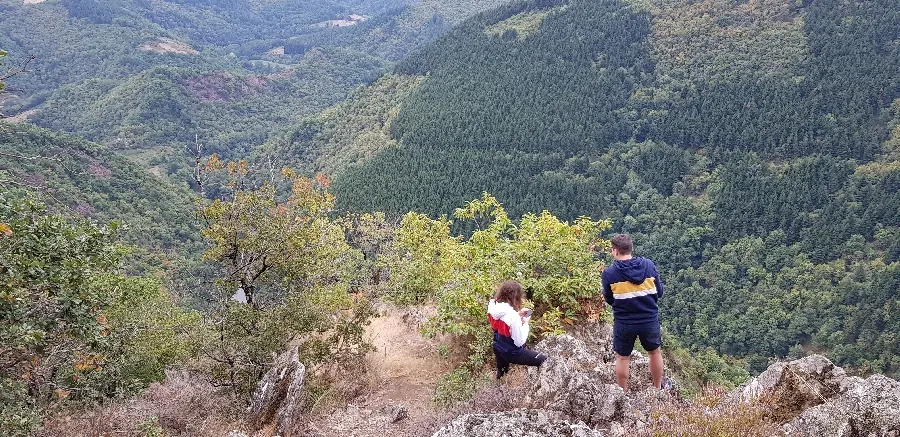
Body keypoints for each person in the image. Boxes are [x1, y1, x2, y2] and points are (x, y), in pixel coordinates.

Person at [601, 234, 665, 391]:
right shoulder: (648, 266)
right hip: (649, 320)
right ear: (631, 248)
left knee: (623, 357)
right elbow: (660, 292)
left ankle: (622, 393)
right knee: (655, 353)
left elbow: (609, 299)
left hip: (624, 323)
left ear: (615, 251)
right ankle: (657, 389)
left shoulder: (609, 274)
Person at [487, 280, 547, 379]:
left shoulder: (492, 305)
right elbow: (519, 342)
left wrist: (517, 314)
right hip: (512, 353)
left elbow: (500, 323)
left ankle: (499, 387)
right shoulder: (512, 317)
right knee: (544, 359)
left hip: (498, 347)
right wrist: (526, 323)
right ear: (516, 297)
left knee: (501, 374)